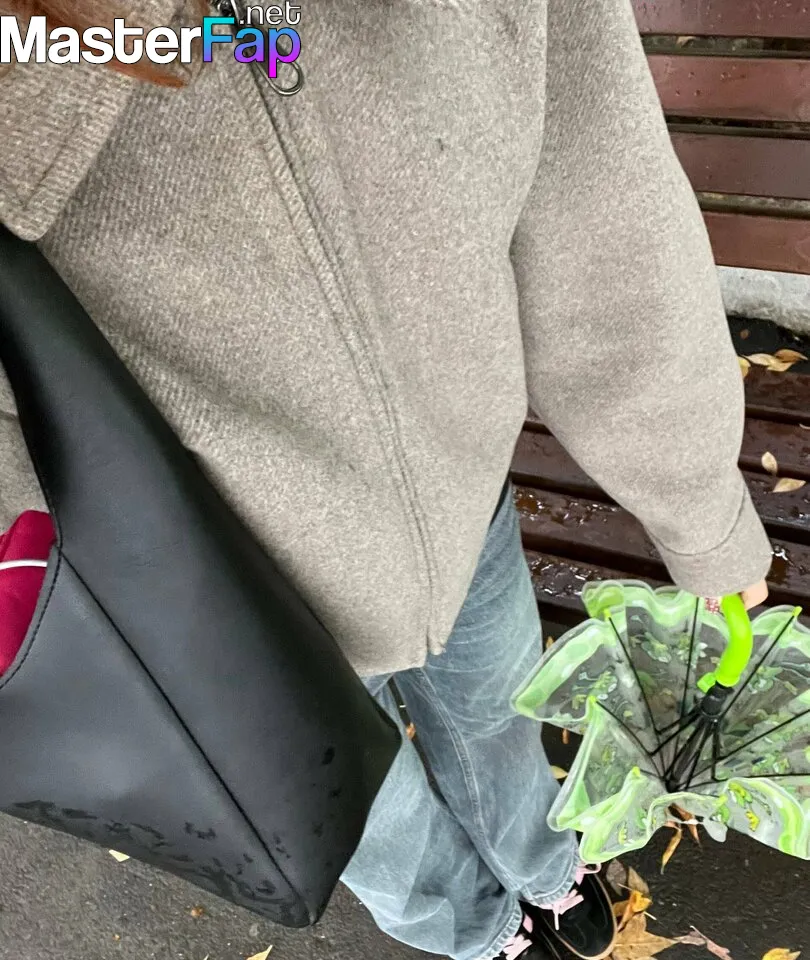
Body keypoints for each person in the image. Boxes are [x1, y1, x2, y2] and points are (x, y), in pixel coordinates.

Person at [0, 2, 772, 960]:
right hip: (218, 585)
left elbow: (597, 193)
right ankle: (475, 928)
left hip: (462, 497)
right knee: (371, 817)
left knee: (499, 710)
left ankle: (541, 866)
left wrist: (699, 505)